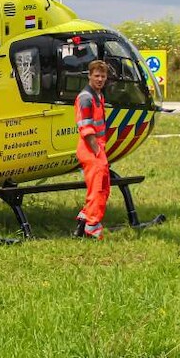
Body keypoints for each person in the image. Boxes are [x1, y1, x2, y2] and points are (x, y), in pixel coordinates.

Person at [73, 60, 111, 239]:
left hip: (97, 147)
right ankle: (92, 226)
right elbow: (86, 129)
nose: (100, 79)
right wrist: (97, 151)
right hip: (90, 148)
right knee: (97, 189)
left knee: (103, 186)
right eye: (96, 76)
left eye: (103, 76)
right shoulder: (86, 98)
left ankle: (85, 217)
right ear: (89, 76)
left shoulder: (98, 95)